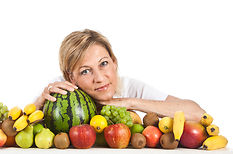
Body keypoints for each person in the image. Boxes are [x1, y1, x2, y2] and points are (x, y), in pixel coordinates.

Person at [34, 29, 205, 122]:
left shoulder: (130, 87)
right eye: (85, 71)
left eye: (103, 64)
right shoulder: (61, 91)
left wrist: (129, 102)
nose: (99, 78)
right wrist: (38, 104)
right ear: (71, 78)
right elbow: (16, 132)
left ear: (114, 62)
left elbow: (199, 114)